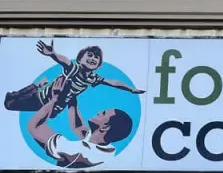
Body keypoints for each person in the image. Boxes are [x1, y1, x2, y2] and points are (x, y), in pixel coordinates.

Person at [4, 40, 144, 118]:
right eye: (89, 55)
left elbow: (112, 82)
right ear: (80, 59)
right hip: (41, 98)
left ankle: (36, 88)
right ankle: (35, 86)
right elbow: (64, 61)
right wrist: (53, 54)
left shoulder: (92, 78)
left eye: (96, 57)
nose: (92, 58)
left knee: (50, 113)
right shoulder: (74, 68)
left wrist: (130, 89)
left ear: (98, 64)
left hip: (55, 107)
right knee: (10, 104)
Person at [27, 77, 133, 169]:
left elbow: (35, 126)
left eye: (104, 113)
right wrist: (71, 96)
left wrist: (54, 99)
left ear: (105, 127)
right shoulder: (106, 150)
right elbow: (79, 127)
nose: (100, 112)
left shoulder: (77, 153)